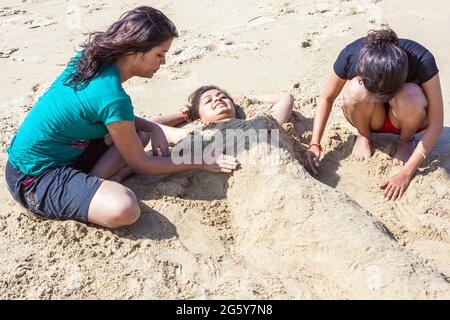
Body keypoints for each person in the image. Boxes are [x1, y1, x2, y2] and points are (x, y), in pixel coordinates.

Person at [5, 6, 238, 229]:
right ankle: (98, 185)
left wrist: (155, 128)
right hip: (34, 177)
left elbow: (112, 116)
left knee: (142, 133)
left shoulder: (91, 57)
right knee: (125, 208)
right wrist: (203, 160)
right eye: (160, 54)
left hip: (66, 151)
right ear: (135, 51)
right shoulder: (112, 96)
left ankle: (94, 182)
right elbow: (142, 163)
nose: (163, 62)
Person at [304, 27, 443, 201]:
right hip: (369, 116)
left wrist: (407, 173)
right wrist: (315, 143)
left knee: (410, 93)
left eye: (386, 93)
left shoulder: (422, 59)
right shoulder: (351, 55)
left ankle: (405, 141)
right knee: (354, 90)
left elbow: (437, 123)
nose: (382, 98)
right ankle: (364, 135)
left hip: (407, 117)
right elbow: (327, 97)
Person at [103, 85, 295, 183]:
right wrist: (183, 114)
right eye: (208, 101)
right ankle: (118, 176)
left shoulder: (259, 124)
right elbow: (148, 125)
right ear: (199, 118)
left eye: (222, 97)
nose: (218, 100)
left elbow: (285, 98)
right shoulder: (192, 133)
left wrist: (241, 98)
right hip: (203, 146)